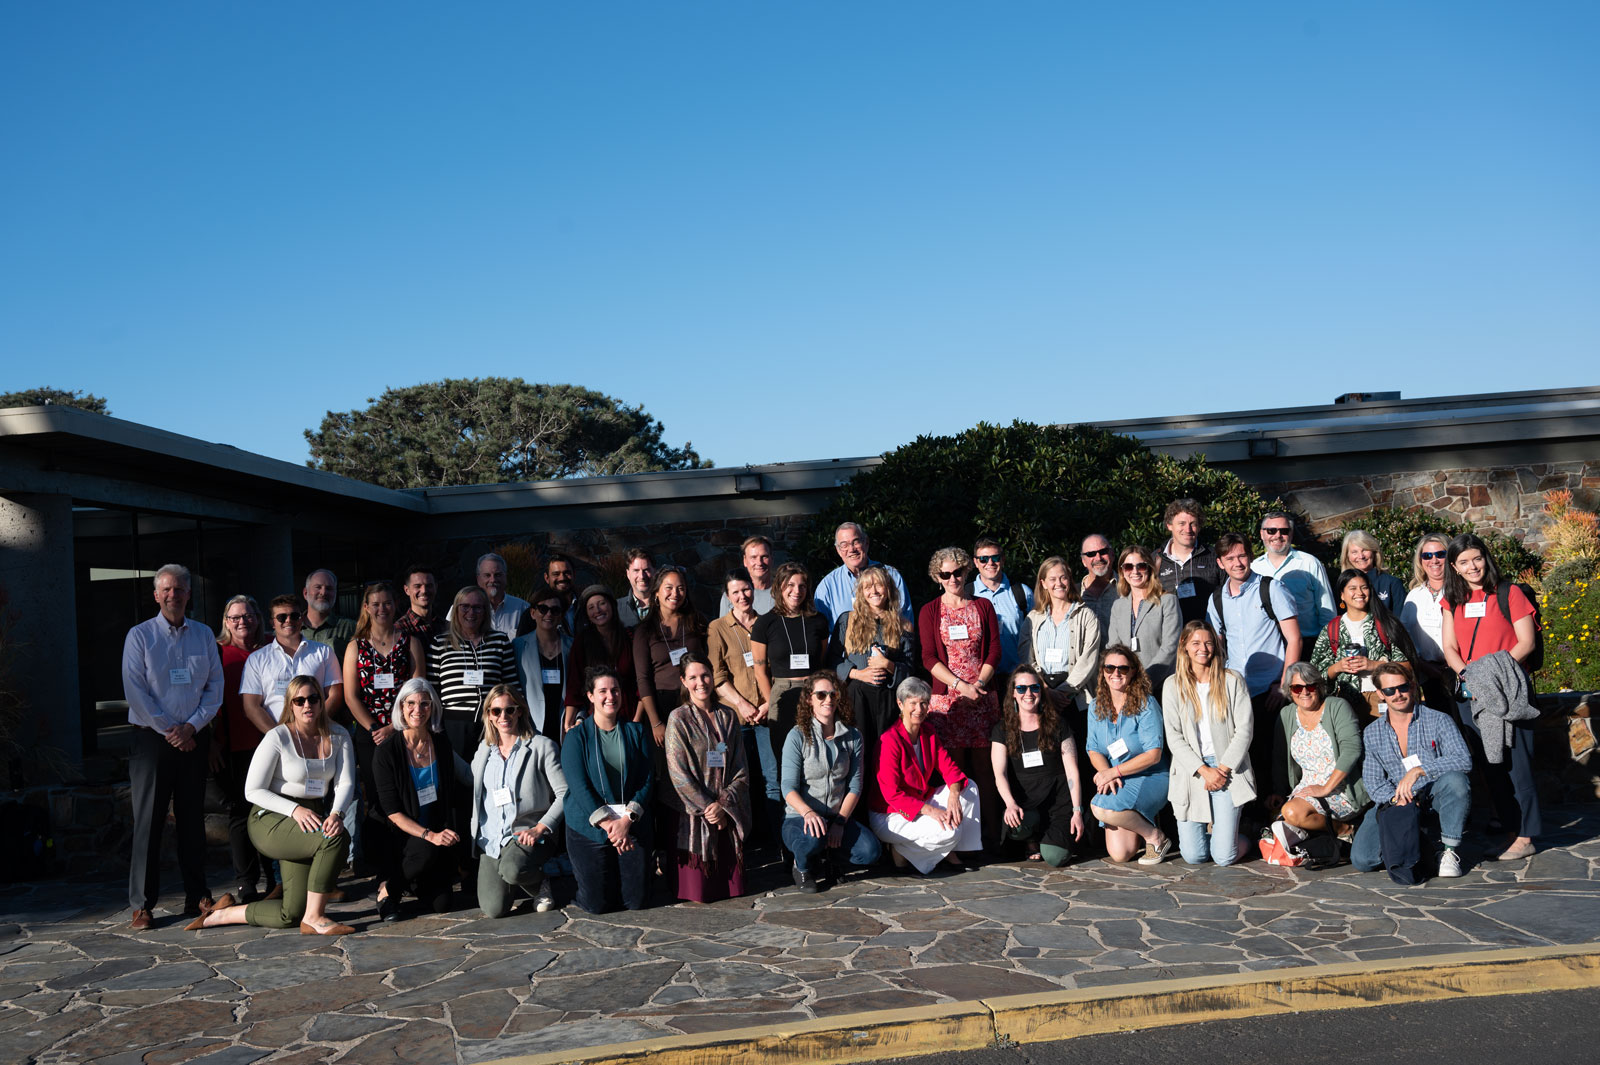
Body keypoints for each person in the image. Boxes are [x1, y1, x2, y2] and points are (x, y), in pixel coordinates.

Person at [187, 675, 356, 935]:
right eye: (299, 700)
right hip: (272, 817)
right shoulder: (278, 737)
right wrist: (294, 810)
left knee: (291, 913)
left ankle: (221, 914)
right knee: (334, 838)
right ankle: (315, 916)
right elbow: (252, 790)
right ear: (290, 705)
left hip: (310, 815)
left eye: (313, 698)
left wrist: (337, 812)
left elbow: (345, 783)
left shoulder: (339, 734)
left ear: (322, 702)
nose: (307, 705)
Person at [122, 564, 223, 929]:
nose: (173, 595)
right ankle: (142, 905)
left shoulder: (204, 635)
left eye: (179, 589)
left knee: (192, 820)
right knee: (148, 821)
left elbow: (214, 688)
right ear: (155, 595)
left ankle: (197, 894)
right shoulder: (140, 636)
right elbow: (135, 690)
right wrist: (171, 730)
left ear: (188, 594)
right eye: (166, 590)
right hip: (152, 740)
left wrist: (191, 727)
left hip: (194, 736)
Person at [1440, 533, 1541, 862]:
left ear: (1486, 557)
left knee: (1518, 766)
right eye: (1464, 562)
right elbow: (1450, 649)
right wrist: (1472, 678)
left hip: (1510, 690)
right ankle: (1512, 830)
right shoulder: (1452, 600)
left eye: (1477, 558)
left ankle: (1527, 835)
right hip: (1475, 695)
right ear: (1454, 567)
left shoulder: (1508, 593)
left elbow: (1525, 643)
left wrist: (1493, 676)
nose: (1473, 566)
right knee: (1492, 766)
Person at [340, 581, 425, 891]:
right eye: (375, 604)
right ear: (366, 607)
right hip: (370, 735)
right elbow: (351, 696)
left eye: (387, 603)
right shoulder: (355, 646)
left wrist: (395, 726)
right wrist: (376, 729)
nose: (381, 608)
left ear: (395, 605)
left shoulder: (409, 642)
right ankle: (384, 867)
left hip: (405, 731)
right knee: (378, 800)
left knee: (407, 796)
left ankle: (411, 862)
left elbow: (418, 689)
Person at [1351, 663, 1472, 879]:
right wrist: (1396, 800)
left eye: (1403, 687)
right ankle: (1420, 843)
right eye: (1389, 690)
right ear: (1380, 694)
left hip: (1432, 794)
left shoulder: (1439, 719)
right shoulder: (1372, 732)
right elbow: (1374, 781)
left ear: (1413, 687)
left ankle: (1449, 851)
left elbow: (1463, 760)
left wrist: (1420, 770)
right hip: (1397, 801)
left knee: (1456, 781)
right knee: (1363, 859)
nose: (1398, 695)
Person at [919, 547, 1002, 844]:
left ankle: (990, 838)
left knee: (985, 772)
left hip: (982, 699)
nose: (953, 578)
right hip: (947, 703)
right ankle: (956, 840)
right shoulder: (930, 610)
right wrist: (959, 686)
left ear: (967, 572)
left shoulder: (983, 606)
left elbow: (994, 649)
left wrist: (978, 684)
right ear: (936, 577)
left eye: (958, 572)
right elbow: (928, 658)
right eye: (946, 574)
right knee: (953, 773)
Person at [1205, 533, 1302, 775]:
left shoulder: (1271, 589)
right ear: (1220, 563)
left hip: (1271, 690)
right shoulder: (1216, 599)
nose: (1237, 563)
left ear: (1250, 556)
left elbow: (1294, 639)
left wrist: (1283, 686)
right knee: (1247, 760)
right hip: (1236, 693)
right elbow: (1214, 648)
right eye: (1230, 558)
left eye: (1242, 556)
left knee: (1277, 758)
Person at [561, 666, 655, 913]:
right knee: (597, 905)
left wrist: (626, 822)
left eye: (615, 690)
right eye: (602, 691)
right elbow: (579, 787)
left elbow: (647, 780)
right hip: (588, 827)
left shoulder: (636, 732)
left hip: (629, 823)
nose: (610, 696)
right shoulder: (576, 737)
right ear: (590, 696)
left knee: (636, 902)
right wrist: (609, 824)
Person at [1160, 624, 1255, 866]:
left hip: (1227, 770)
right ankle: (1221, 836)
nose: (1203, 649)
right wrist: (1204, 770)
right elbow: (1174, 736)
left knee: (1224, 857)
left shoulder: (1232, 680)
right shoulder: (1172, 685)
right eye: (1196, 643)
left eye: (1208, 643)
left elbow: (1244, 729)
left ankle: (1246, 838)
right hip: (1192, 770)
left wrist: (1221, 770)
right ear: (1184, 646)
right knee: (1194, 856)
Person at [471, 685, 566, 918]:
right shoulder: (484, 750)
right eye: (496, 711)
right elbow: (470, 779)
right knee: (493, 910)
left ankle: (538, 880)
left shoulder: (542, 746)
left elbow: (565, 793)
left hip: (528, 832)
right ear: (489, 715)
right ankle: (518, 876)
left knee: (512, 869)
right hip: (492, 838)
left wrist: (540, 828)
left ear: (520, 711)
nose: (503, 717)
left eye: (509, 710)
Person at [869, 677, 982, 873]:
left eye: (923, 703)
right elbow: (892, 795)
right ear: (900, 704)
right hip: (890, 814)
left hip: (921, 800)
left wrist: (954, 795)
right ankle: (911, 851)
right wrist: (932, 811)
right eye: (913, 703)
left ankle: (950, 850)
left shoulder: (928, 732)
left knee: (969, 787)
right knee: (948, 831)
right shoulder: (889, 740)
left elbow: (950, 769)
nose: (919, 709)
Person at [663, 654, 752, 902]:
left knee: (733, 888)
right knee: (699, 890)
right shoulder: (678, 718)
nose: (700, 682)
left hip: (724, 812)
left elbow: (740, 769)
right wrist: (708, 808)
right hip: (692, 816)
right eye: (692, 677)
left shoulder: (729, 716)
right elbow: (678, 773)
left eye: (705, 675)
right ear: (683, 681)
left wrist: (723, 805)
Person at [373, 678, 464, 916]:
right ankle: (387, 889)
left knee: (442, 904)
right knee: (425, 849)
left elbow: (463, 779)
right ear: (401, 707)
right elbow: (392, 813)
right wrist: (430, 835)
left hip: (433, 831)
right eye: (411, 703)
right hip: (400, 836)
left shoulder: (440, 743)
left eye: (425, 704)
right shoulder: (386, 752)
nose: (418, 710)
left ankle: (410, 881)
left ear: (433, 707)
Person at [782, 671, 881, 891]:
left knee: (870, 851)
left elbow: (855, 786)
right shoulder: (797, 735)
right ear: (809, 699)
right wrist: (808, 813)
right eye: (821, 695)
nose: (828, 700)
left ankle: (832, 859)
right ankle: (803, 866)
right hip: (800, 818)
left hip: (835, 816)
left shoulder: (853, 736)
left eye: (833, 694)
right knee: (812, 838)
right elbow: (788, 787)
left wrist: (840, 822)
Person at [707, 567, 781, 845]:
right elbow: (717, 675)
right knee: (739, 781)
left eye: (746, 589)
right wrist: (743, 703)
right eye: (735, 592)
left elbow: (778, 669)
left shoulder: (768, 622)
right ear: (728, 597)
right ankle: (746, 841)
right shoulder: (718, 628)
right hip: (734, 718)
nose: (742, 596)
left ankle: (777, 841)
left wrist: (766, 704)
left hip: (766, 716)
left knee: (772, 779)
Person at [213, 594, 276, 903]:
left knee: (271, 810)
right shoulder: (217, 652)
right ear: (226, 622)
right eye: (235, 617)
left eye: (247, 616)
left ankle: (275, 880)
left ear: (257, 618)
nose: (242, 622)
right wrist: (213, 743)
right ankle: (246, 883)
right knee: (240, 814)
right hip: (234, 745)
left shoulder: (271, 647)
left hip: (272, 743)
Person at [989, 666, 1084, 866]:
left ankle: (1048, 838)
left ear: (1041, 691)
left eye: (1034, 687)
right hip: (1025, 802)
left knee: (1055, 857)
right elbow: (1000, 774)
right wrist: (1010, 804)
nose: (1029, 693)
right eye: (1022, 689)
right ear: (1013, 693)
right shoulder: (1002, 729)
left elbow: (1072, 771)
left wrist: (1077, 810)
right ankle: (1031, 838)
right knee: (1016, 827)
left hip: (1058, 801)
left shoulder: (1058, 724)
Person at [1085, 645, 1171, 864]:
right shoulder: (1096, 706)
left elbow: (1154, 754)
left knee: (1100, 807)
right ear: (1103, 672)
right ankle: (1140, 822)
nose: (1116, 673)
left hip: (1151, 775)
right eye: (1110, 667)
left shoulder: (1146, 704)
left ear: (1133, 671)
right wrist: (1106, 773)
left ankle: (1155, 837)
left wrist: (1114, 772)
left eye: (1123, 668)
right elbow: (1093, 749)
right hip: (1118, 778)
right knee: (1121, 854)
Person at [829, 565, 920, 755]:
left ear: (888, 590)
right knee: (857, 753)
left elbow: (910, 669)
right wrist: (857, 674)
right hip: (857, 698)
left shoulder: (904, 624)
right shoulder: (847, 620)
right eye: (867, 587)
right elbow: (831, 660)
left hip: (889, 700)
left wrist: (888, 665)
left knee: (888, 753)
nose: (874, 591)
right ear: (861, 593)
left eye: (879, 585)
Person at [1272, 663, 1368, 843]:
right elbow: (1279, 757)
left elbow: (1352, 748)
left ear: (1319, 686)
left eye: (1310, 686)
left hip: (1341, 787)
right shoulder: (1287, 714)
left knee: (1292, 813)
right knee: (1279, 823)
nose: (1304, 692)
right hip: (1306, 787)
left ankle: (1344, 830)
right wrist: (1278, 791)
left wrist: (1326, 788)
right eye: (1297, 687)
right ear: (1289, 690)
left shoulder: (1337, 706)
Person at [751, 561, 830, 757]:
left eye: (802, 586)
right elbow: (760, 670)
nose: (797, 591)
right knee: (786, 756)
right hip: (782, 693)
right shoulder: (765, 623)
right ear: (779, 587)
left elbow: (822, 661)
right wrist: (772, 702)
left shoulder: (818, 620)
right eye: (790, 585)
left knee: (816, 754)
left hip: (814, 692)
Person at [428, 586, 518, 753]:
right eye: (465, 607)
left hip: (492, 721)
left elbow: (511, 685)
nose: (471, 612)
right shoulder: (439, 643)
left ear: (485, 611)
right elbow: (432, 691)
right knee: (457, 775)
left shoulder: (499, 641)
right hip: (453, 725)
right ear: (456, 610)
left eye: (477, 607)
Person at [241, 595, 344, 737]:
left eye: (294, 616)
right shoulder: (257, 659)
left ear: (301, 619)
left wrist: (314, 727)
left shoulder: (324, 652)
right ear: (272, 622)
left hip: (317, 736)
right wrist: (279, 737)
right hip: (276, 740)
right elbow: (251, 707)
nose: (288, 620)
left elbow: (335, 695)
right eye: (282, 617)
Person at [1309, 570, 1411, 711]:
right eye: (1352, 588)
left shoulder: (1386, 625)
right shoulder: (1332, 629)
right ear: (1342, 595)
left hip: (1383, 698)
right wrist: (1338, 667)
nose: (1360, 593)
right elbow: (1314, 676)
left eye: (1364, 587)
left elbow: (1408, 666)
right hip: (1345, 703)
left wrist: (1375, 665)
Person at [632, 565, 708, 750]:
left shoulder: (697, 623)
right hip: (662, 705)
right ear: (656, 592)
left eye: (681, 588)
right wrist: (655, 722)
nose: (675, 593)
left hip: (695, 701)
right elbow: (643, 679)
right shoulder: (644, 630)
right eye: (669, 587)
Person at [1020, 556, 1102, 713]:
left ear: (1069, 580)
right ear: (1043, 583)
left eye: (1063, 578)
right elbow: (1026, 657)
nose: (1058, 583)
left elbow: (1089, 658)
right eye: (1052, 579)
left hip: (1075, 696)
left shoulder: (1086, 616)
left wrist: (1063, 691)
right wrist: (1045, 690)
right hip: (1041, 694)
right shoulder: (1033, 618)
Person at [1106, 545, 1181, 691]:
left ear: (1150, 568)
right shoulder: (1118, 606)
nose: (1134, 571)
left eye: (1140, 566)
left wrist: (1143, 683)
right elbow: (1113, 648)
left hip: (1162, 685)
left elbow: (1170, 647)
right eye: (1128, 567)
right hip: (1125, 687)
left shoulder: (1167, 601)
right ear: (1122, 571)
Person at [563, 584, 637, 731]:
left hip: (630, 714)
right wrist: (568, 721)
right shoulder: (582, 642)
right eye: (591, 607)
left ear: (612, 606)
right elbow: (574, 684)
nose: (597, 610)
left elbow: (640, 680)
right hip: (597, 716)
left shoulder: (629, 637)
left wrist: (637, 721)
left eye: (602, 603)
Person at [1251, 512, 1336, 638]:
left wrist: (1327, 644)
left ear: (1291, 534)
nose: (1278, 535)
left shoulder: (1309, 563)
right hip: (1268, 647)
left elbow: (1327, 609)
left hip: (1307, 643)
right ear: (1262, 534)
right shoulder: (1254, 568)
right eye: (1271, 530)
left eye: (1284, 531)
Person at [1400, 533, 1456, 716]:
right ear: (1420, 560)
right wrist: (1424, 666)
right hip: (1428, 674)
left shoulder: (1461, 590)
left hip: (1460, 670)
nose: (1434, 560)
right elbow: (1405, 638)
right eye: (1427, 556)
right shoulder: (1414, 596)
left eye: (1441, 554)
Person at [815, 522, 912, 625]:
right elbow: (820, 631)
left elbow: (906, 621)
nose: (851, 549)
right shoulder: (827, 586)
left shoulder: (892, 576)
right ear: (838, 550)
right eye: (844, 545)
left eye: (856, 542)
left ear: (866, 543)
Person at [512, 584, 572, 742]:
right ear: (533, 613)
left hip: (565, 722)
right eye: (543, 609)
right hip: (530, 724)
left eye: (555, 610)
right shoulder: (517, 646)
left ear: (561, 615)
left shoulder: (572, 646)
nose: (549, 614)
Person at [966, 538, 1033, 674]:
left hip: (1016, 675)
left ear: (1003, 559)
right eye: (984, 559)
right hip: (980, 678)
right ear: (976, 562)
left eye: (995, 557)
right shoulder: (966, 594)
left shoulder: (1022, 592)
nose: (990, 563)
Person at [1155, 499, 1221, 626]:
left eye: (1193, 524)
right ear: (1169, 525)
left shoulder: (1213, 557)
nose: (1188, 529)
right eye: (1181, 523)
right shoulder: (1155, 560)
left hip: (1206, 637)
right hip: (1169, 638)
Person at [455, 552, 529, 640]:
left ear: (505, 577)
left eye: (498, 575)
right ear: (478, 579)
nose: (493, 580)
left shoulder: (523, 608)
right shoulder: (460, 608)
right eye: (487, 575)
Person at [1337, 530, 1407, 615]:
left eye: (1365, 550)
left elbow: (1401, 623)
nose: (1361, 556)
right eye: (1354, 552)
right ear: (1347, 556)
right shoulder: (1341, 586)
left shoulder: (1392, 584)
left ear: (1374, 552)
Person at [302, 569, 356, 664]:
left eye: (329, 588)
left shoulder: (351, 628)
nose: (323, 592)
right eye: (318, 587)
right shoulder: (291, 628)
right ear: (305, 593)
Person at [1078, 533, 1120, 641]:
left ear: (1112, 554)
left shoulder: (1129, 589)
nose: (1098, 558)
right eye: (1091, 554)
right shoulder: (1073, 594)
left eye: (1103, 552)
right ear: (1083, 561)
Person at [719, 536, 775, 616]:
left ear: (772, 559)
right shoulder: (731, 595)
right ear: (745, 560)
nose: (759, 563)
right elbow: (723, 627)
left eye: (764, 557)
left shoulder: (784, 593)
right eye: (753, 557)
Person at [396, 563, 447, 645]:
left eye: (429, 586)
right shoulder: (399, 630)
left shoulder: (447, 627)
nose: (424, 591)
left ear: (436, 587)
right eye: (417, 586)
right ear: (406, 590)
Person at [616, 549, 654, 628]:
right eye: (636, 570)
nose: (642, 576)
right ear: (628, 574)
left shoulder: (667, 604)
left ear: (654, 571)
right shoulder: (616, 608)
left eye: (646, 570)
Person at [544, 553, 579, 632]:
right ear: (547, 578)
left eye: (567, 573)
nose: (562, 578)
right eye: (556, 574)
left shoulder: (586, 607)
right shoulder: (538, 611)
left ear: (574, 575)